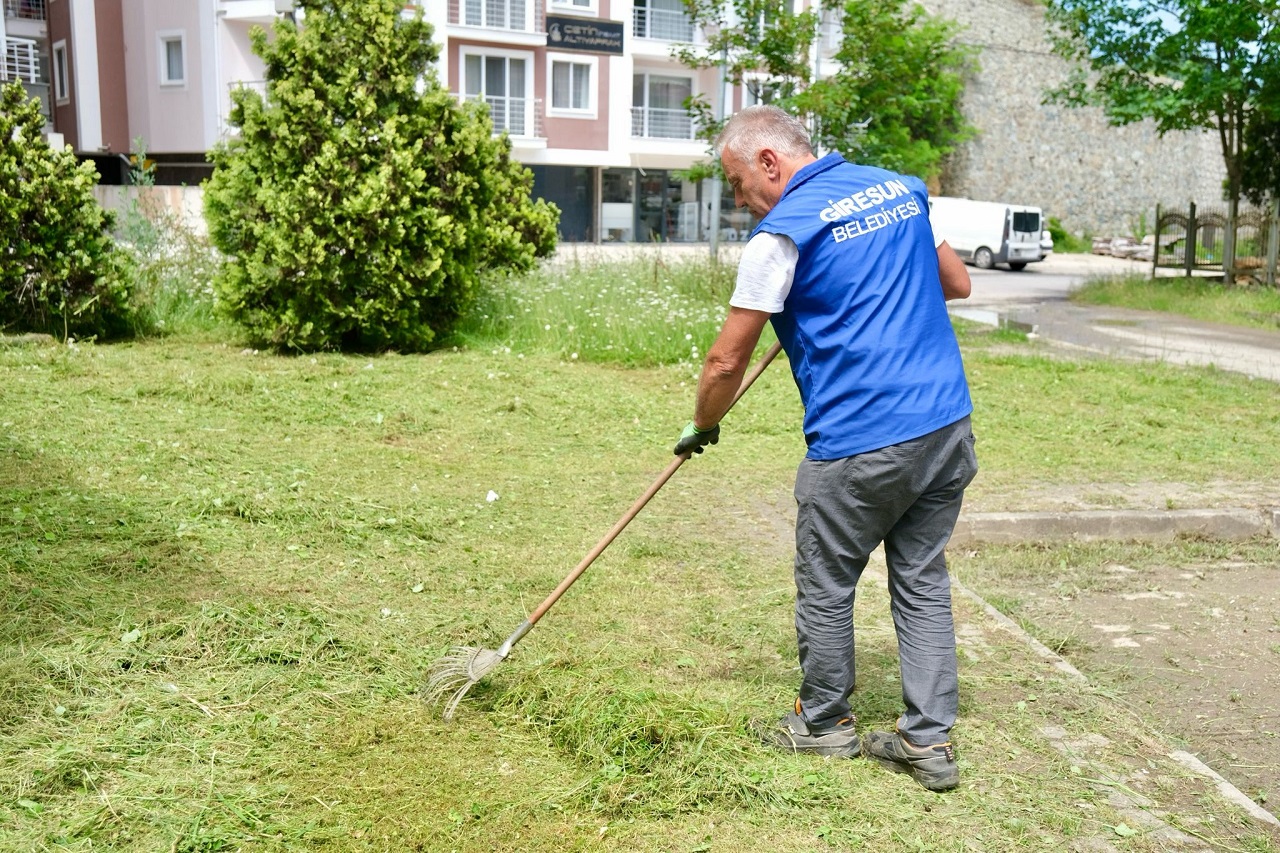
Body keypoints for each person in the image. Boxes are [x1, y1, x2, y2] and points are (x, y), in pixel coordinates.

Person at [673, 105, 977, 792]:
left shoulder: (777, 236)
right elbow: (956, 282)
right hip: (944, 423)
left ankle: (823, 722)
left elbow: (726, 362)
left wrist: (702, 425)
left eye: (738, 182)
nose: (740, 199)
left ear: (770, 164)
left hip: (860, 440)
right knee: (922, 577)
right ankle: (926, 742)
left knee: (827, 579)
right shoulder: (898, 189)